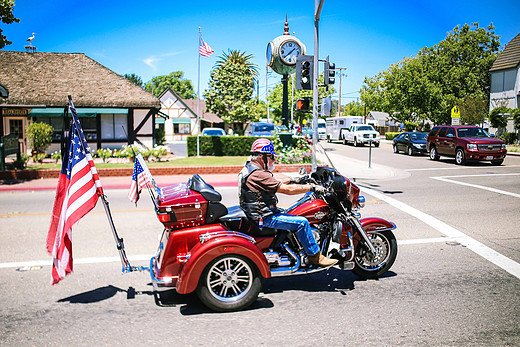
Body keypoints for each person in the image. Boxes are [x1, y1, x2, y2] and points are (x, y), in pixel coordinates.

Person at [238, 138, 338, 267]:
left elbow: (275, 181)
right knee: (302, 222)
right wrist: (312, 188)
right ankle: (315, 257)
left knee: (291, 213)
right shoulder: (258, 174)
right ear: (262, 157)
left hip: (258, 214)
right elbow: (287, 190)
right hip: (265, 217)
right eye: (271, 156)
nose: (274, 159)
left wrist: (296, 180)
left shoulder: (251, 169)